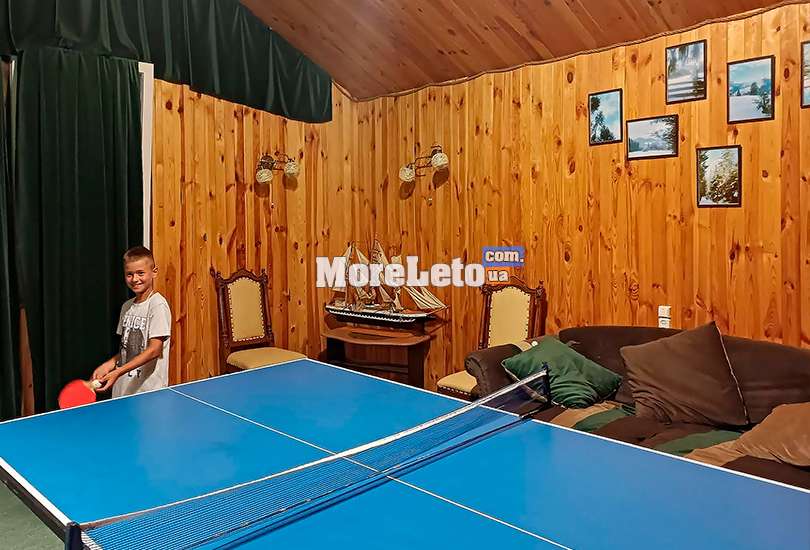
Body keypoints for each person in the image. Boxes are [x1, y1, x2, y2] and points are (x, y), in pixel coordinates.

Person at [92, 246, 172, 397]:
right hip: (123, 391)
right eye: (129, 274)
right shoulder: (126, 307)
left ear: (154, 272)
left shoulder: (157, 305)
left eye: (140, 273)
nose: (135, 279)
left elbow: (155, 350)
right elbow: (126, 349)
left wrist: (118, 371)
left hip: (147, 393)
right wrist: (109, 364)